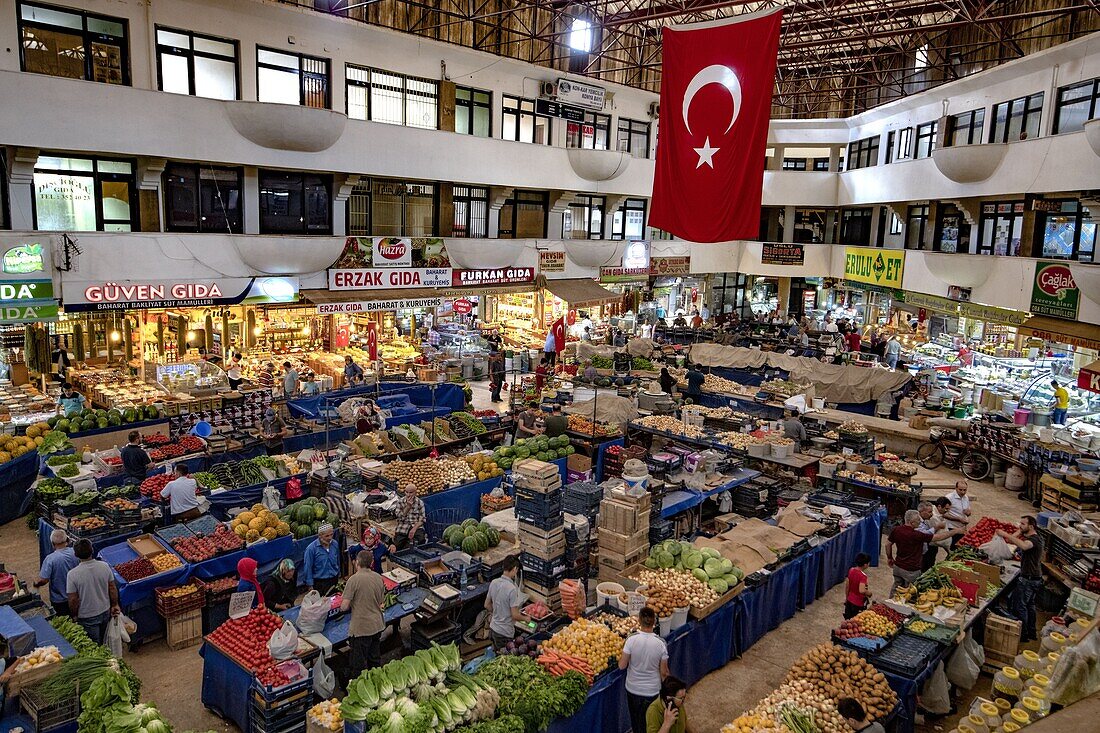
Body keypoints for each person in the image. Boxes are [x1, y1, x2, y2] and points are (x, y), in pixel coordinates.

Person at [887, 510, 962, 596]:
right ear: (912, 522)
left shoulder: (897, 530)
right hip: (911, 570)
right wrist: (954, 532)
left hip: (898, 567)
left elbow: (888, 544)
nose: (920, 522)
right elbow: (938, 537)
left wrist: (889, 557)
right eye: (918, 520)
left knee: (896, 588)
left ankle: (890, 605)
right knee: (910, 593)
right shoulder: (916, 535)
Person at [619, 607, 669, 733]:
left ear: (639, 621)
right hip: (652, 691)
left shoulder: (631, 640)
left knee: (636, 722)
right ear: (654, 622)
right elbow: (664, 673)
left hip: (633, 689)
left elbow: (622, 666)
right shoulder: (661, 643)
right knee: (651, 724)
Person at [998, 516, 1044, 642]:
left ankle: (1022, 635)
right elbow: (1014, 541)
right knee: (1030, 606)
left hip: (1028, 579)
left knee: (1021, 606)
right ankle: (1031, 633)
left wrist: (1005, 534)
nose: (1020, 525)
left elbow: (1024, 546)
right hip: (1035, 578)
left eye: (1023, 524)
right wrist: (1018, 531)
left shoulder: (1033, 540)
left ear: (1031, 526)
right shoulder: (1035, 537)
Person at [341, 549, 387, 676]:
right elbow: (381, 601)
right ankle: (376, 681)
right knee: (374, 659)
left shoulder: (353, 580)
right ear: (371, 563)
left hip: (361, 628)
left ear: (357, 563)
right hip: (377, 625)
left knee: (358, 664)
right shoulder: (378, 577)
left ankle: (358, 687)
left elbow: (344, 607)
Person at [67, 539, 119, 645]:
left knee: (94, 645)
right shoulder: (104, 566)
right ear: (92, 550)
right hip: (105, 610)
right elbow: (112, 588)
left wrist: (74, 615)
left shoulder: (72, 574)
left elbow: (73, 599)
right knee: (105, 640)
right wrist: (114, 604)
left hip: (87, 616)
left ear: (76, 554)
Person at [36, 529, 78, 617]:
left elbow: (44, 580)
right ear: (67, 540)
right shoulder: (75, 552)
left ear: (52, 543)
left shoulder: (50, 559)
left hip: (60, 600)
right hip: (77, 596)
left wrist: (37, 584)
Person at [485, 555, 524, 650]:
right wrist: (526, 619)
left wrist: (498, 613)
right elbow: (515, 615)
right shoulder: (512, 589)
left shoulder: (494, 582)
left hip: (493, 628)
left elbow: (486, 605)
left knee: (496, 655)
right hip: (504, 634)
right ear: (515, 569)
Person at [301, 524, 341, 595]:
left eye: (331, 535)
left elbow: (338, 560)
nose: (330, 538)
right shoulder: (311, 549)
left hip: (334, 580)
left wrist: (338, 572)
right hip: (320, 583)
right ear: (320, 536)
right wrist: (310, 586)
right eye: (327, 536)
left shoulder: (335, 544)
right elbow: (308, 567)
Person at [391, 483, 427, 551]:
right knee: (397, 544)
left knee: (421, 540)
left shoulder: (420, 502)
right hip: (403, 525)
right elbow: (399, 517)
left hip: (415, 525)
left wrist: (414, 529)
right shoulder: (400, 502)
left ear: (415, 493)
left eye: (410, 493)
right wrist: (407, 507)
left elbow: (422, 519)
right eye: (406, 492)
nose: (408, 495)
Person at [919, 500, 949, 571]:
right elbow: (925, 535)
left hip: (927, 549)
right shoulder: (917, 522)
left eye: (932, 512)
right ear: (922, 512)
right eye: (929, 512)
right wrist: (937, 527)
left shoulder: (926, 520)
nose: (932, 514)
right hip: (921, 553)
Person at [944, 480, 972, 546]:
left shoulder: (966, 497)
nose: (963, 492)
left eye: (965, 490)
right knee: (952, 547)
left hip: (962, 528)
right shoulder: (949, 498)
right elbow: (943, 514)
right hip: (951, 527)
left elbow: (968, 511)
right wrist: (958, 519)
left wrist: (968, 513)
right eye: (960, 490)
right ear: (956, 488)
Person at [845, 553, 872, 619]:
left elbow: (847, 585)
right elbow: (862, 590)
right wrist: (869, 593)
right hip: (858, 603)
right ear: (865, 565)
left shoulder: (851, 570)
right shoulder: (863, 576)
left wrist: (847, 598)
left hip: (849, 600)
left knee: (848, 620)